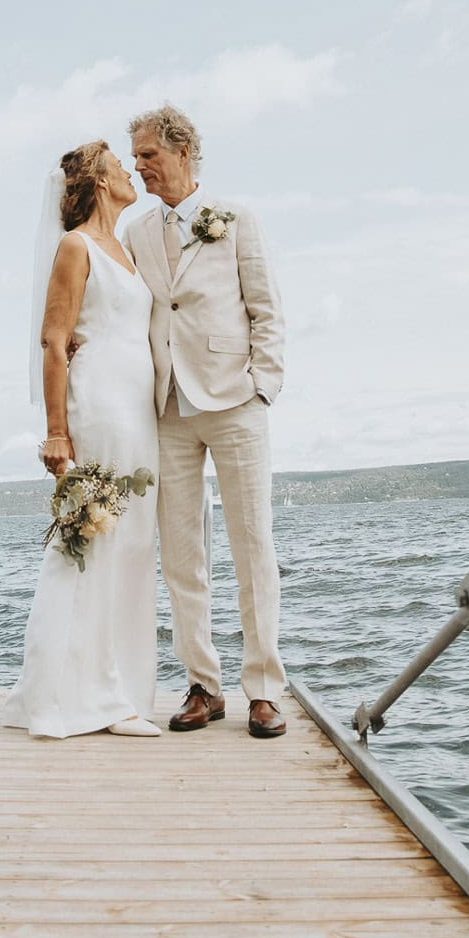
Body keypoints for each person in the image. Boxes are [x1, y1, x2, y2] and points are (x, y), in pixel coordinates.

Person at [125, 104, 287, 738]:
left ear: (183, 152)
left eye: (148, 155)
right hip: (166, 408)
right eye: (134, 156)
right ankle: (202, 685)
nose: (138, 166)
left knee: (253, 549)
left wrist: (263, 386)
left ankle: (264, 691)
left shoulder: (237, 219)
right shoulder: (136, 233)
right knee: (181, 557)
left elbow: (266, 307)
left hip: (234, 400)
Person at [2, 141, 161, 739]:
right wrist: (56, 430)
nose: (129, 169)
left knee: (134, 548)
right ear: (97, 179)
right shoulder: (77, 246)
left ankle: (121, 689)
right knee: (92, 543)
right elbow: (53, 339)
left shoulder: (126, 249)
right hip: (99, 407)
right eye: (119, 163)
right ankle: (82, 695)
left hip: (139, 411)